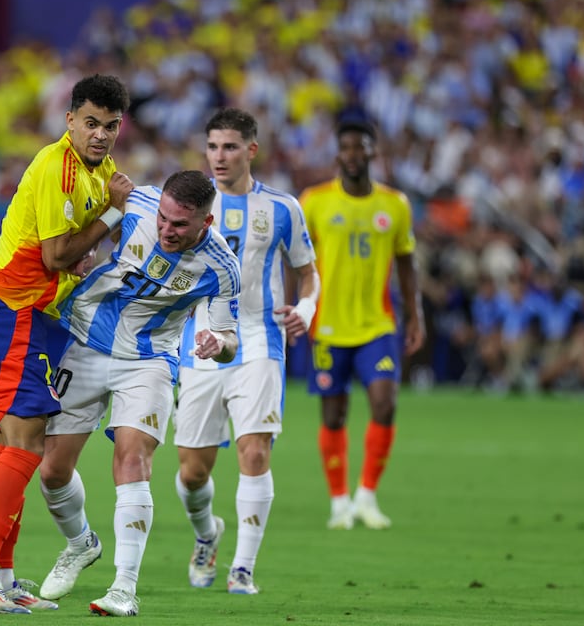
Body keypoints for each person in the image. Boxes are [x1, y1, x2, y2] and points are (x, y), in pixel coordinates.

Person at [0, 74, 134, 614]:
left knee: (16, 444)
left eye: (111, 126)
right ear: (70, 119)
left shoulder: (96, 175)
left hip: (28, 317)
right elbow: (55, 256)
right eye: (91, 123)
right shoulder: (60, 166)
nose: (100, 134)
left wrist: (89, 244)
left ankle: (2, 578)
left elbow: (70, 256)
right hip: (14, 312)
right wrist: (113, 215)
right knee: (27, 443)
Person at [37, 170, 242, 617]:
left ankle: (124, 588)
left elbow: (229, 341)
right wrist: (85, 253)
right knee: (51, 471)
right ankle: (80, 544)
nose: (167, 230)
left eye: (180, 225)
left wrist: (217, 345)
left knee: (132, 460)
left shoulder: (222, 267)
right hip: (87, 343)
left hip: (148, 361)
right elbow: (80, 235)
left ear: (205, 224)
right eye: (165, 219)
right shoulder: (138, 202)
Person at [173, 108, 320, 595]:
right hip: (198, 343)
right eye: (213, 146)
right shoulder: (188, 206)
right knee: (193, 473)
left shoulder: (282, 208)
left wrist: (307, 306)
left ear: (251, 150)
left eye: (230, 147)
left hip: (260, 341)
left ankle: (243, 569)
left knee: (255, 451)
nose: (219, 156)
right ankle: (206, 534)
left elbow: (307, 270)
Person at [299, 110, 424, 531]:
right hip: (328, 326)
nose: (353, 154)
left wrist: (415, 314)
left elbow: (407, 263)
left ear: (373, 151)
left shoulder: (395, 204)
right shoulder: (314, 201)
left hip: (378, 325)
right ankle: (339, 502)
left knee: (385, 404)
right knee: (333, 415)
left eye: (361, 146)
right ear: (338, 153)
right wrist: (299, 307)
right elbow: (298, 262)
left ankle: (367, 496)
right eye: (346, 146)